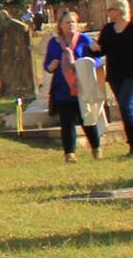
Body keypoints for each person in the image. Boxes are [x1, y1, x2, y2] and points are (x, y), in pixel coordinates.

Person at [95, 0, 133, 157]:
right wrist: (92, 47)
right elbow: (101, 50)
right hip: (115, 74)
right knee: (124, 107)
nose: (108, 13)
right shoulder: (108, 29)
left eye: (110, 9)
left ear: (119, 10)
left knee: (126, 105)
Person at [44, 10, 103, 163]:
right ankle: (69, 153)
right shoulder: (54, 43)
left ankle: (96, 148)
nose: (70, 25)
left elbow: (98, 59)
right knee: (66, 121)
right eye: (67, 22)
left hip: (82, 86)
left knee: (87, 119)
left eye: (73, 22)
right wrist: (51, 66)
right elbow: (47, 64)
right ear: (60, 25)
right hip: (62, 87)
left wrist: (86, 63)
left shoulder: (84, 39)